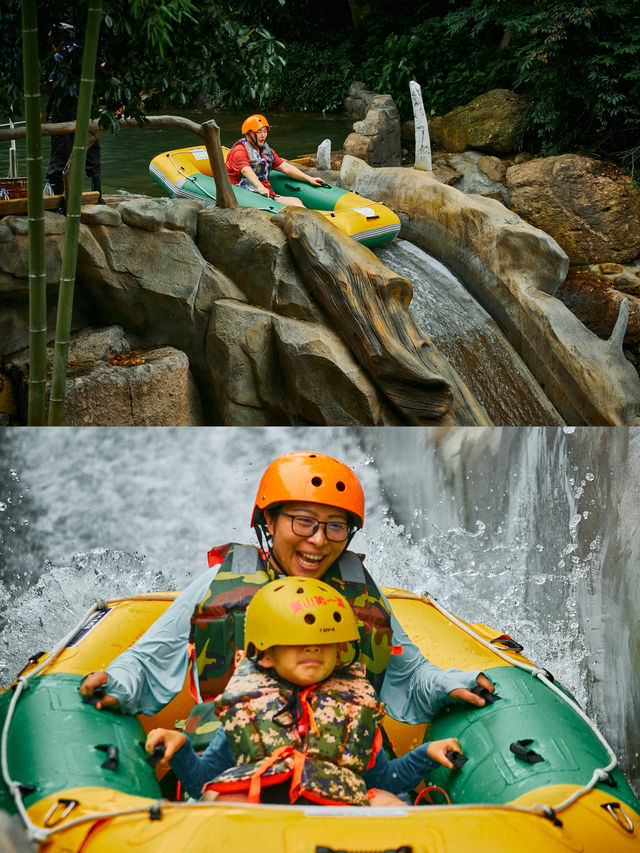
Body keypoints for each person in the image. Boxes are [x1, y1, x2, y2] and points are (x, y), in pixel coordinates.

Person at [80, 452, 494, 728]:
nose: (318, 540)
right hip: (234, 758)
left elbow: (412, 675)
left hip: (343, 762)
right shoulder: (219, 586)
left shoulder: (359, 595)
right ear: (270, 523)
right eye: (303, 521)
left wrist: (447, 684)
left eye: (335, 526)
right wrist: (115, 683)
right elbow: (147, 663)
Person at [145, 577, 464, 805]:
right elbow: (203, 781)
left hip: (334, 815)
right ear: (265, 654)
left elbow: (382, 780)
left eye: (324, 642)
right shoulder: (246, 708)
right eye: (296, 641)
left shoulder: (356, 706)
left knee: (388, 803)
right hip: (261, 819)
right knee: (219, 796)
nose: (312, 648)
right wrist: (182, 748)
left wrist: (426, 755)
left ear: (340, 651)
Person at [45, 22, 103, 206]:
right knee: (92, 149)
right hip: (87, 108)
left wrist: (49, 110)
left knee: (60, 154)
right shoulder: (85, 51)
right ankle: (99, 197)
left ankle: (57, 201)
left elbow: (54, 84)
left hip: (66, 108)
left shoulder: (60, 55)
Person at [225, 114, 323, 207]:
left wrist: (309, 178)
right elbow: (246, 170)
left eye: (265, 131)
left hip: (260, 188)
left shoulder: (266, 151)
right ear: (248, 134)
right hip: (240, 190)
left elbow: (285, 167)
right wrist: (260, 187)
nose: (263, 135)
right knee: (292, 204)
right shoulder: (239, 151)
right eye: (259, 132)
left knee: (296, 201)